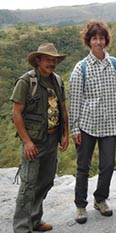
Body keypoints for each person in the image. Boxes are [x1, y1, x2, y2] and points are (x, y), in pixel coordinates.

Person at [69, 20, 116, 223]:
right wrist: (74, 128)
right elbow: (75, 101)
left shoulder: (114, 64)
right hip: (87, 125)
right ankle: (80, 205)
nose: (98, 42)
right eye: (94, 38)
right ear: (89, 41)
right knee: (83, 167)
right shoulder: (80, 68)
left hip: (110, 124)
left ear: (106, 40)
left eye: (101, 38)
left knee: (108, 164)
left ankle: (100, 199)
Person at [11, 43, 69, 232]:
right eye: (48, 59)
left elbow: (62, 109)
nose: (52, 63)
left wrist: (65, 134)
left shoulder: (58, 81)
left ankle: (35, 220)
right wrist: (27, 142)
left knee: (45, 181)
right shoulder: (26, 82)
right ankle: (21, 228)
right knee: (28, 184)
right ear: (38, 60)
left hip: (52, 139)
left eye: (54, 60)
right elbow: (16, 114)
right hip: (34, 142)